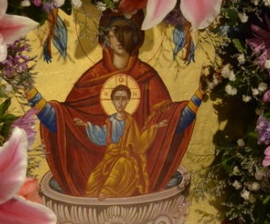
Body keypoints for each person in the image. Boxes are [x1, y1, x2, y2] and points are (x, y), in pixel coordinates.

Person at [25, 12, 206, 196]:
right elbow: (64, 122)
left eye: (127, 30)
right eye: (114, 30)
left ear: (136, 36)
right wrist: (30, 92)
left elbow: (172, 124)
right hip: (104, 164)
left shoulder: (149, 79)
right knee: (97, 180)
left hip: (130, 165)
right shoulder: (91, 79)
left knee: (121, 167)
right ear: (106, 36)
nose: (120, 37)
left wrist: (200, 93)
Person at [74, 84, 168, 199]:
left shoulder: (130, 121)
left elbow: (138, 143)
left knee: (120, 165)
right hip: (110, 158)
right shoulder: (110, 120)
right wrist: (86, 125)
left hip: (127, 158)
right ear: (112, 101)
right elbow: (103, 135)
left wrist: (155, 127)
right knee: (92, 182)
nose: (120, 103)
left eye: (123, 99)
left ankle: (106, 191)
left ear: (128, 101)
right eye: (117, 99)